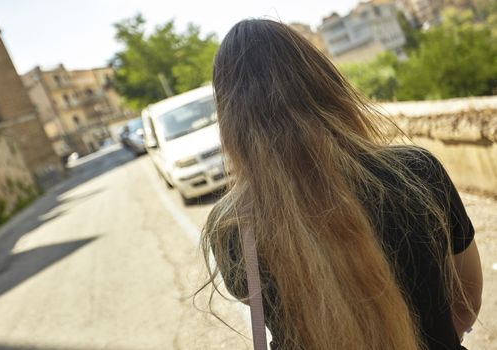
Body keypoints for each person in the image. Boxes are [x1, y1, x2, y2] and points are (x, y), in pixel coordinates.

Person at [197, 19, 483, 350]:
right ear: (325, 81)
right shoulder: (416, 171)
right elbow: (466, 301)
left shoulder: (231, 227)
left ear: (231, 120)